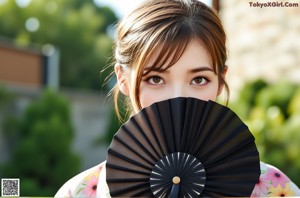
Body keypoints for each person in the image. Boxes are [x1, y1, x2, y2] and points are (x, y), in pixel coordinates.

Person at [55, 0, 300, 197]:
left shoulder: (273, 189)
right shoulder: (80, 192)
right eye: (155, 79)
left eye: (199, 80)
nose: (178, 99)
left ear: (220, 81)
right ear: (122, 79)